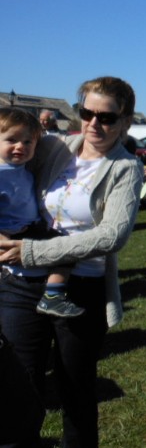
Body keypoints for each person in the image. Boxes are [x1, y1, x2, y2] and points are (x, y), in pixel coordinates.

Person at [0, 76, 143, 448]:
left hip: (80, 289)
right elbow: (7, 146)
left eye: (107, 118)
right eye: (86, 113)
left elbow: (111, 236)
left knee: (75, 391)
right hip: (21, 286)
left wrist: (32, 251)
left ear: (125, 121)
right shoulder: (53, 147)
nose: (94, 124)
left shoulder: (126, 169)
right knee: (18, 391)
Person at [0, 107, 84, 318]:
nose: (20, 146)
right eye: (12, 140)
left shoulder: (24, 170)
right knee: (65, 249)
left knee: (64, 247)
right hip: (13, 234)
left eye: (28, 142)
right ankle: (53, 296)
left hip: (29, 227)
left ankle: (52, 294)